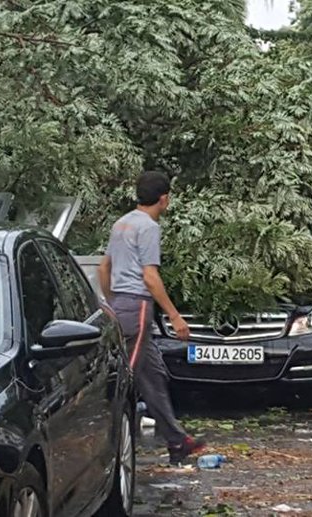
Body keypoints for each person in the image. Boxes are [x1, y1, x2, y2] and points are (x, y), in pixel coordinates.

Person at [98, 171, 206, 464]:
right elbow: (150, 276)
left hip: (123, 303)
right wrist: (175, 316)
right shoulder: (148, 228)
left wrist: (113, 303)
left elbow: (103, 269)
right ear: (164, 199)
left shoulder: (121, 223)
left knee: (153, 375)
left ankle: (177, 441)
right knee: (126, 378)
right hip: (138, 307)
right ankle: (103, 449)